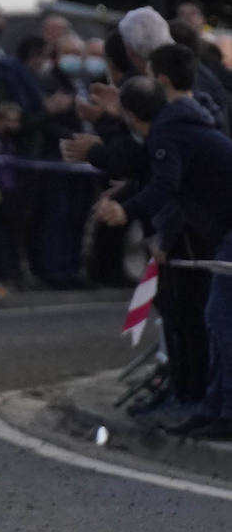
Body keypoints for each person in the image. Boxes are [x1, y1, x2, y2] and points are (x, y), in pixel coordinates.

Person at [95, 72, 232, 439]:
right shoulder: (179, 129)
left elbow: (165, 186)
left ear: (131, 114)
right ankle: (214, 408)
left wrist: (127, 212)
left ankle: (224, 412)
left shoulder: (168, 135)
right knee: (216, 319)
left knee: (220, 319)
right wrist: (166, 237)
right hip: (224, 231)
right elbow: (178, 191)